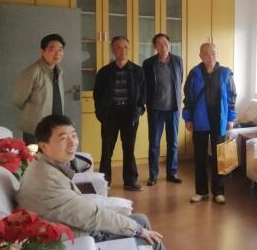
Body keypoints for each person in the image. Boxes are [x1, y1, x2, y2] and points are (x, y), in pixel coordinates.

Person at [16, 115, 214, 250]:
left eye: (73, 136)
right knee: (150, 240)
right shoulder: (46, 180)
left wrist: (137, 227)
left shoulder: (45, 166)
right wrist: (137, 231)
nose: (72, 142)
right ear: (44, 146)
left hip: (74, 230)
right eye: (63, 138)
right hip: (75, 245)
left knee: (141, 220)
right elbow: (92, 217)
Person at [183, 43, 237, 204]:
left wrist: (231, 118)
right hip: (200, 119)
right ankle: (201, 192)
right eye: (206, 53)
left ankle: (218, 192)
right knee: (200, 157)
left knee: (219, 157)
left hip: (219, 120)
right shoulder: (194, 73)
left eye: (213, 53)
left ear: (217, 54)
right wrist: (188, 118)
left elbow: (232, 97)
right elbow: (188, 97)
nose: (210, 56)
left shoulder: (225, 73)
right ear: (200, 56)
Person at [93, 36, 145, 191]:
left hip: (130, 114)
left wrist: (139, 110)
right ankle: (104, 182)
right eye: (118, 47)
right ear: (113, 50)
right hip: (110, 114)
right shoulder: (105, 72)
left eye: (125, 47)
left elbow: (144, 93)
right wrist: (101, 114)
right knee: (107, 150)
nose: (123, 50)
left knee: (129, 149)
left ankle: (130, 181)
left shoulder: (137, 71)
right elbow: (97, 94)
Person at [142, 33, 184, 187]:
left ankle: (172, 173)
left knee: (173, 143)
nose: (163, 46)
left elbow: (180, 80)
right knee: (154, 144)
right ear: (155, 47)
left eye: (165, 42)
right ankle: (153, 175)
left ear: (169, 44)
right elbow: (145, 85)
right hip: (156, 109)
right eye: (159, 43)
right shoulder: (148, 63)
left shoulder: (178, 61)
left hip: (173, 109)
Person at [12, 34, 65, 145]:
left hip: (55, 126)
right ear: (42, 51)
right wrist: (35, 112)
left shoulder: (58, 71)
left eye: (60, 50)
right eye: (52, 50)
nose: (57, 54)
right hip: (36, 128)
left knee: (51, 155)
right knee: (35, 155)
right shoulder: (33, 71)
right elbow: (18, 100)